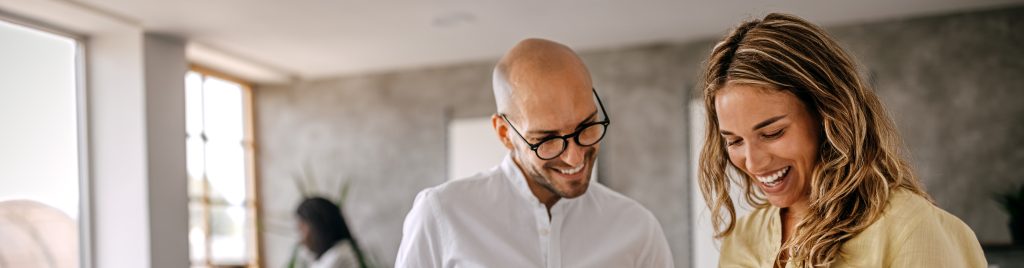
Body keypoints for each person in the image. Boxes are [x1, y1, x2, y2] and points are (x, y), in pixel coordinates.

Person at [697, 13, 987, 267]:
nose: (753, 161)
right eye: (734, 141)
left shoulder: (911, 228)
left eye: (772, 133)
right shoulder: (745, 236)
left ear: (828, 115)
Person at [395, 38, 673, 267]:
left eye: (586, 126)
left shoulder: (638, 229)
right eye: (547, 139)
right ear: (505, 133)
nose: (574, 157)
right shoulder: (442, 214)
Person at [294, 197, 365, 268]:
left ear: (319, 226)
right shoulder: (327, 257)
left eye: (302, 229)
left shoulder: (339, 255)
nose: (301, 240)